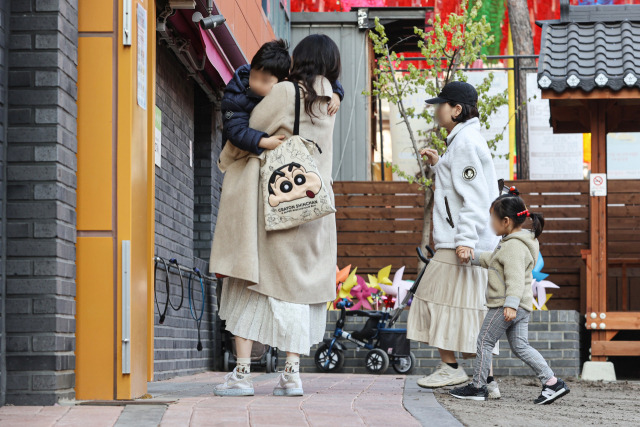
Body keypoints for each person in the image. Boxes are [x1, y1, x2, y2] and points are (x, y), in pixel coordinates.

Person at [209, 34, 342, 397]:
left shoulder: (285, 91)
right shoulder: (330, 98)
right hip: (313, 210)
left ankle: (241, 374)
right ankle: (292, 374)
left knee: (250, 283)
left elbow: (248, 128)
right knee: (296, 292)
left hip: (276, 206)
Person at [407, 81, 502, 397]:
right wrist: (439, 166)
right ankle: (484, 381)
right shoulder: (463, 141)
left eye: (441, 104)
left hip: (460, 242)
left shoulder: (464, 143)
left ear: (456, 109)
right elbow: (458, 191)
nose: (436, 110)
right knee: (466, 308)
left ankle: (452, 368)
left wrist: (465, 239)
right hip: (463, 240)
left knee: (435, 299)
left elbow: (474, 198)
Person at [450, 191, 570, 404]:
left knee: (484, 341)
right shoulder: (514, 241)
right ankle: (552, 382)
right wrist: (473, 256)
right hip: (519, 305)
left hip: (505, 304)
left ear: (505, 221)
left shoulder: (513, 246)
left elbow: (514, 278)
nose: (490, 224)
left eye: (492, 219)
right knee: (521, 346)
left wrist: (510, 304)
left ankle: (478, 387)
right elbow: (495, 260)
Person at [219, 38, 343, 158]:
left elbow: (319, 77)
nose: (256, 84)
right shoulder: (236, 95)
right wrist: (262, 141)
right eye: (254, 76)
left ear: (282, 81)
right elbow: (234, 130)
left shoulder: (286, 87)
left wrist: (336, 93)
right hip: (236, 157)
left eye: (264, 81)